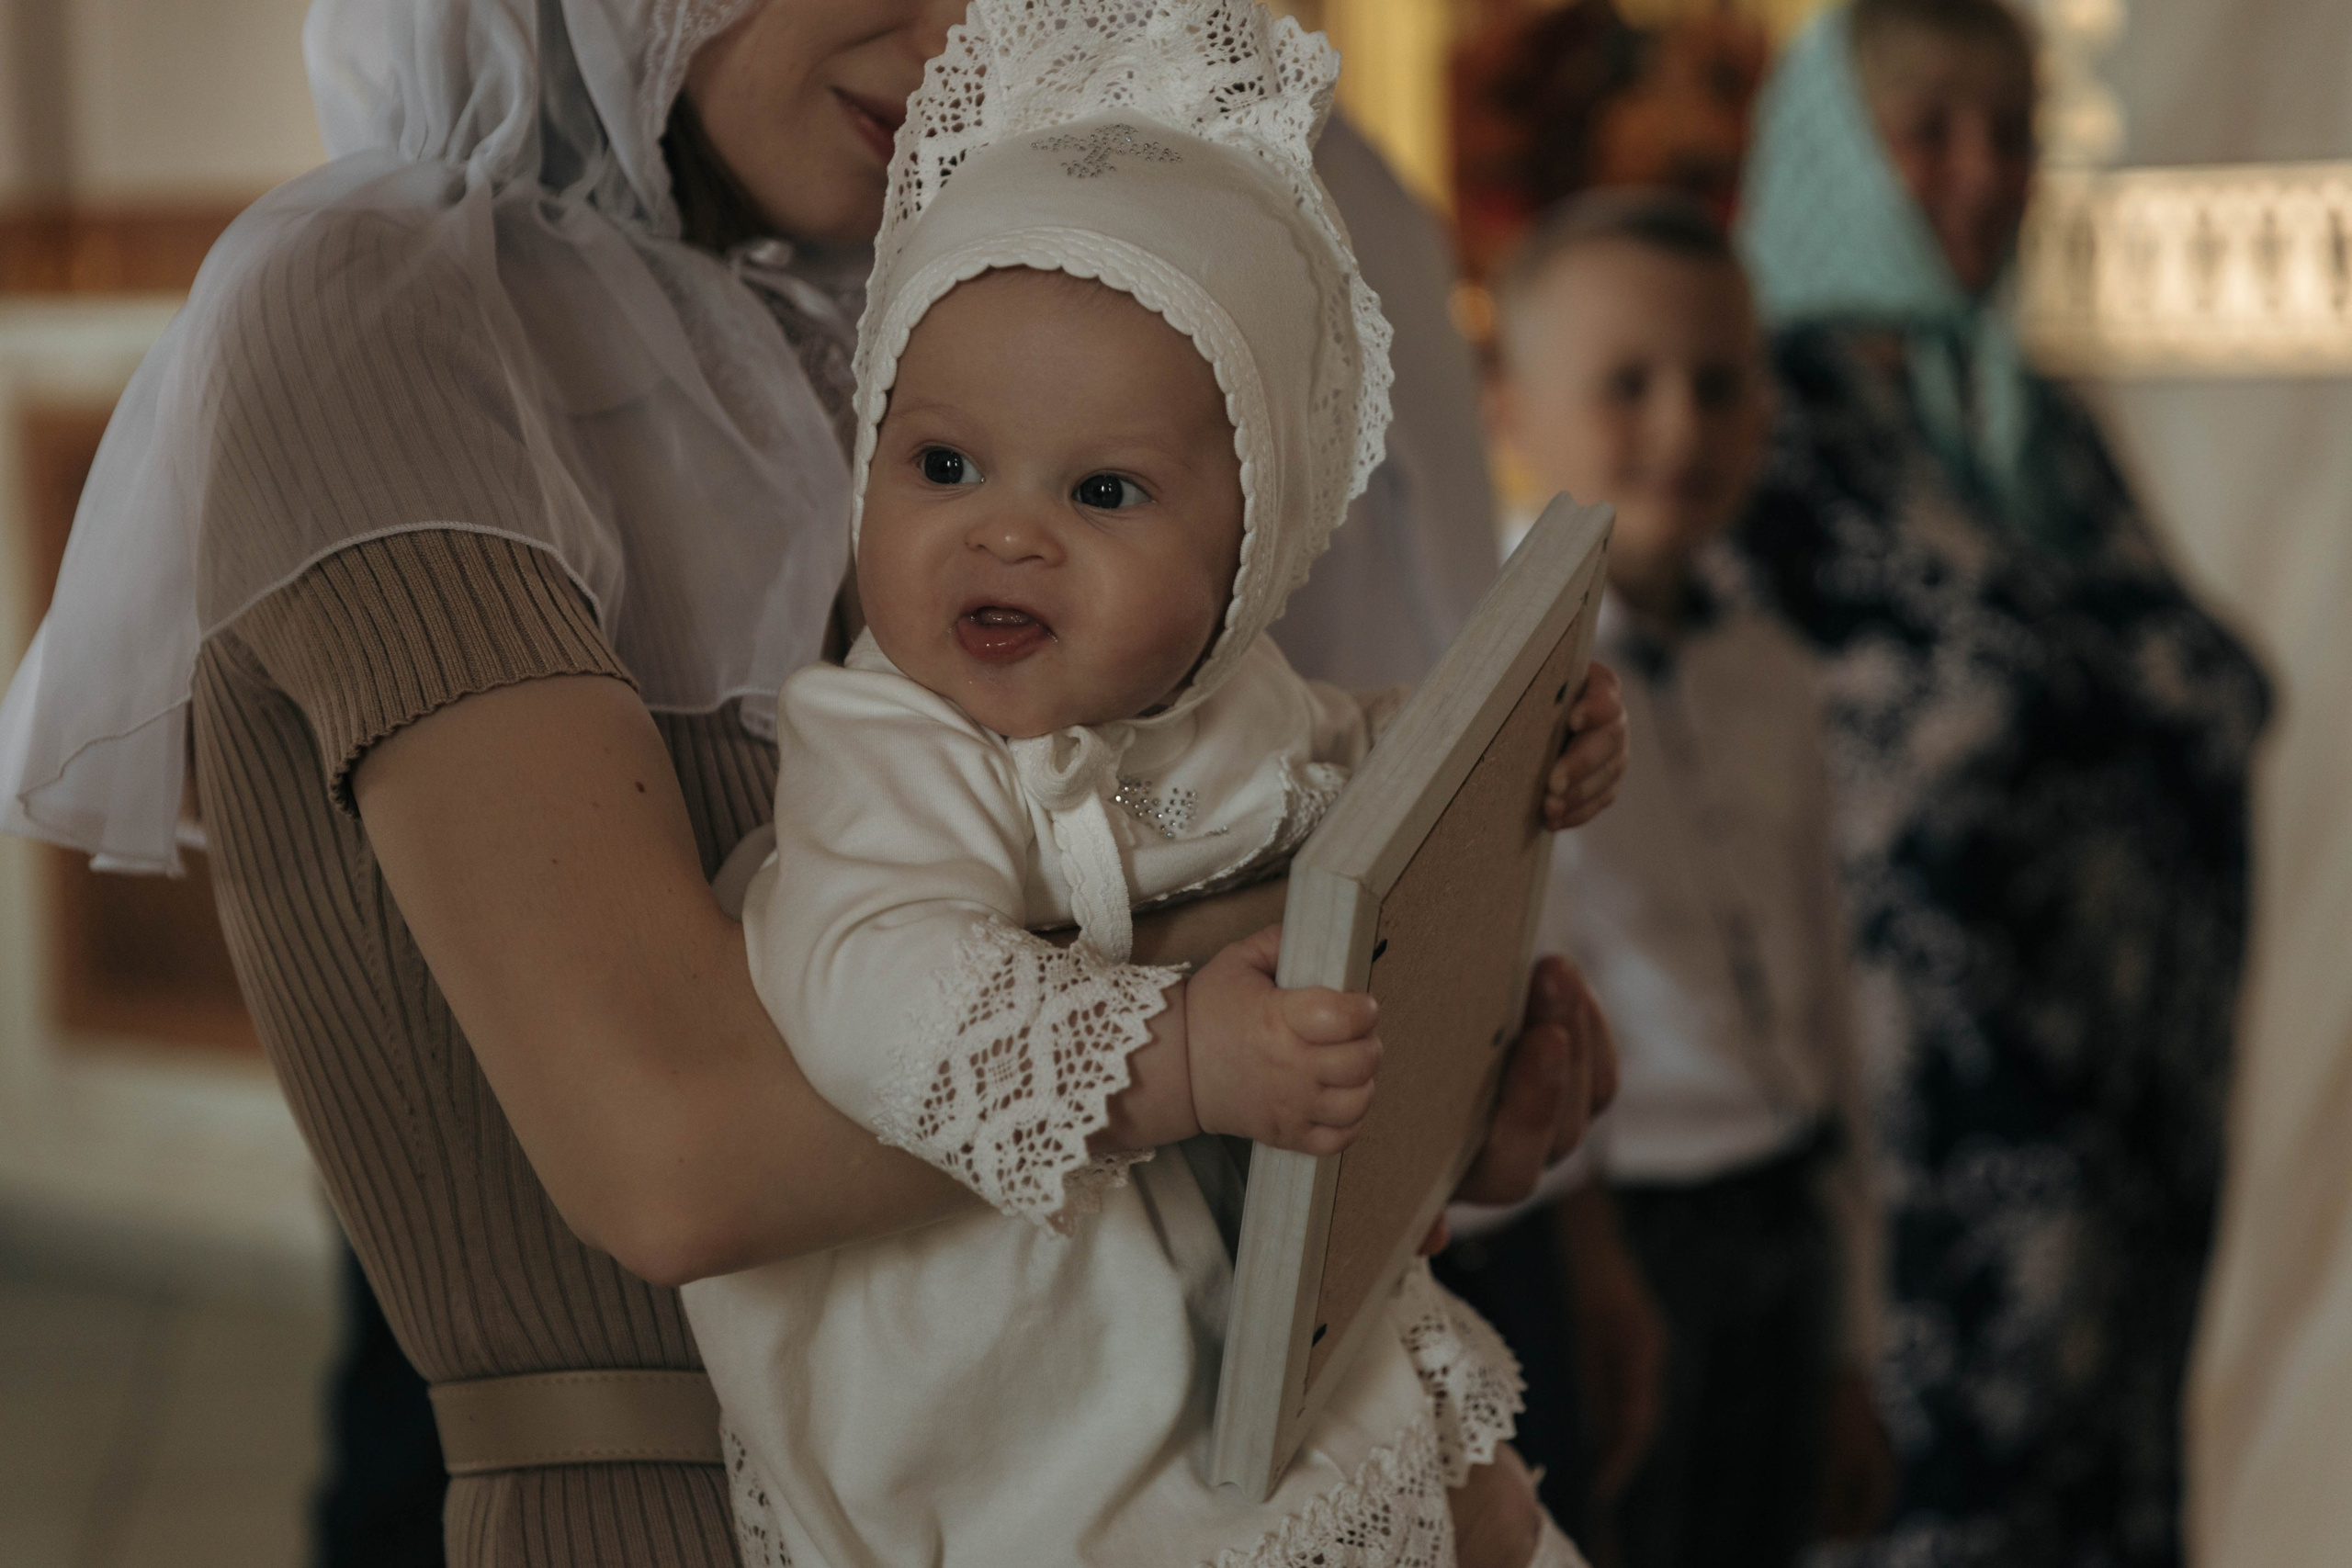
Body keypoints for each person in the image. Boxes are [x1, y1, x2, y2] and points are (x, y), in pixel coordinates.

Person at [0, 3, 1628, 1564]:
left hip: (1137, 1456)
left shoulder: (964, 320)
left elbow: (1174, 868)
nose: (952, 35)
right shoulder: (393, 305)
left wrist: (1424, 1084)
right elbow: (678, 1148)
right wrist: (1320, 975)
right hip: (675, 1520)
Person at [690, 20, 1589, 1566]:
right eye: (944, 466)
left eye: (1102, 494)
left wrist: (1520, 748)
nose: (1007, 536)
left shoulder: (1224, 706)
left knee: (1469, 1499)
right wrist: (1175, 1056)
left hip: (1227, 1299)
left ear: (1243, 566)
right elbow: (865, 983)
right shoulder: (887, 742)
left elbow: (1362, 769)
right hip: (1003, 1367)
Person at [1731, 3, 2269, 1563]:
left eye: (2013, 132)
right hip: (1919, 1192)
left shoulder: (2032, 429)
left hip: (2123, 1180)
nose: (1981, 175)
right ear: (1840, 149)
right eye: (1930, 131)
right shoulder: (1760, 434)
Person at [1465, 189, 1894, 1568]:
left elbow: (1823, 984)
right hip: (1615, 1229)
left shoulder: (1772, 668)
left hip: (1777, 1207)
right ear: (1512, 405)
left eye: (1720, 385)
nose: (1680, 427)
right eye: (1626, 384)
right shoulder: (1480, 673)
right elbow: (1511, 991)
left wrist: (1852, 1333)